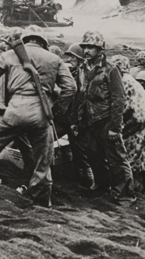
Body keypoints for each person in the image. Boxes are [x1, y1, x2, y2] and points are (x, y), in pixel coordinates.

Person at [0, 25, 76, 207]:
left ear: (25, 40)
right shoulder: (55, 59)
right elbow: (71, 88)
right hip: (41, 112)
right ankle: (40, 198)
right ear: (43, 42)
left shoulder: (10, 55)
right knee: (44, 157)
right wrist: (55, 110)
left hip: (14, 109)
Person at [75, 31, 137, 204]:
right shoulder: (82, 68)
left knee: (116, 158)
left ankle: (124, 194)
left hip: (105, 120)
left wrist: (115, 127)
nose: (87, 50)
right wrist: (76, 120)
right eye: (85, 47)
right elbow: (80, 95)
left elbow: (119, 99)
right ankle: (101, 185)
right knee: (93, 155)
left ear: (100, 49)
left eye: (92, 47)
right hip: (88, 120)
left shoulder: (110, 70)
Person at [111, 55, 145, 195]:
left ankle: (134, 191)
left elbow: (124, 107)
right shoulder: (131, 80)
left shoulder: (123, 82)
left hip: (140, 125)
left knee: (130, 159)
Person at [58, 43, 94, 188]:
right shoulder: (74, 72)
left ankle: (88, 180)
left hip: (79, 118)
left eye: (73, 57)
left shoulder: (85, 74)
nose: (70, 59)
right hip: (68, 116)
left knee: (81, 150)